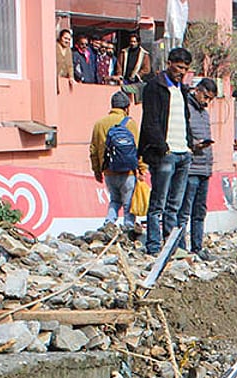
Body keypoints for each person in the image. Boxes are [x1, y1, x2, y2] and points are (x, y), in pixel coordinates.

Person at [139, 47, 194, 256]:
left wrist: (190, 145)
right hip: (165, 153)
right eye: (179, 67)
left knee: (175, 205)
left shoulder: (183, 90)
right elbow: (150, 121)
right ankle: (154, 246)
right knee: (158, 204)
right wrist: (162, 147)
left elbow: (185, 119)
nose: (181, 72)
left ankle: (172, 247)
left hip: (183, 152)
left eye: (185, 69)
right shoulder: (155, 87)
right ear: (169, 63)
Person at [89, 91, 145, 231]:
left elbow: (93, 150)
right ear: (127, 107)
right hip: (128, 172)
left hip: (109, 171)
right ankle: (129, 227)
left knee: (114, 200)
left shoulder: (99, 124)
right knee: (128, 203)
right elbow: (139, 148)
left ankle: (109, 222)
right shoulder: (130, 123)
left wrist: (97, 171)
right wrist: (142, 169)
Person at [180, 76, 218, 260]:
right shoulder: (186, 108)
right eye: (206, 97)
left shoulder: (204, 113)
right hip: (191, 167)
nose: (207, 102)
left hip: (205, 168)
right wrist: (195, 145)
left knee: (199, 211)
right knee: (184, 209)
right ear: (198, 90)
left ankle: (197, 246)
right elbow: (183, 135)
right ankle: (179, 246)